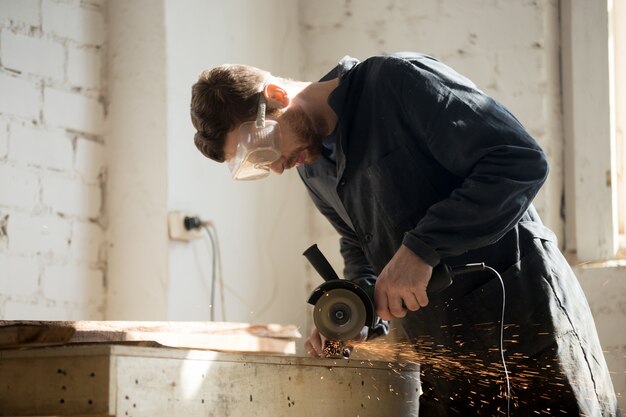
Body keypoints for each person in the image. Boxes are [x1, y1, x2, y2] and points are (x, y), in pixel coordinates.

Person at [190, 52, 621, 416]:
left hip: (525, 320)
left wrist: (421, 248)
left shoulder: (396, 82)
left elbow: (520, 161)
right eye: (260, 165)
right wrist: (356, 311)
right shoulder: (314, 166)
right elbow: (361, 247)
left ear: (277, 97)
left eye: (266, 147)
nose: (278, 167)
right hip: (444, 352)